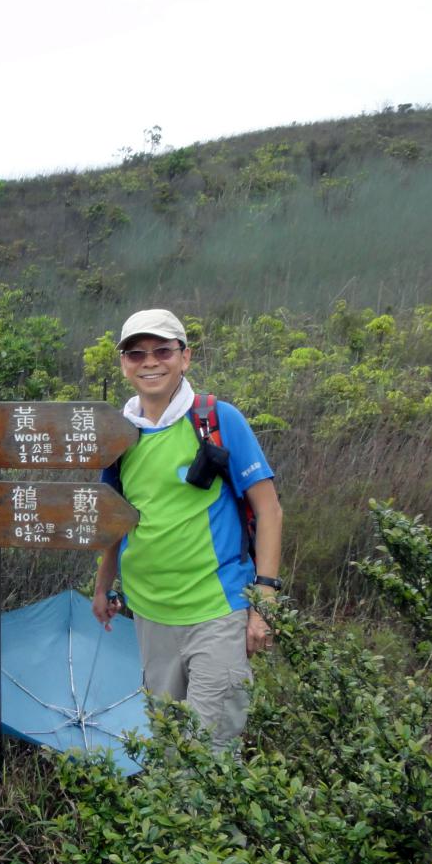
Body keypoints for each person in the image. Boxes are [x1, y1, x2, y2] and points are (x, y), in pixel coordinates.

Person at [91, 308, 284, 753]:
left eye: (162, 351)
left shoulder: (218, 420)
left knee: (211, 751)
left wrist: (265, 602)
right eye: (136, 354)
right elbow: (116, 518)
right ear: (123, 364)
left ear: (185, 357)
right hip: (149, 613)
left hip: (216, 609)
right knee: (170, 744)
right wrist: (103, 587)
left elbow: (269, 510)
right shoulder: (120, 435)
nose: (150, 362)